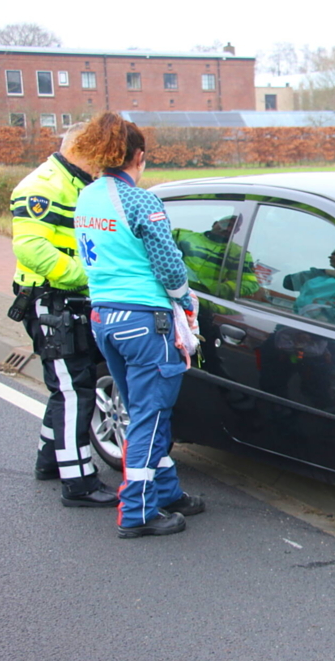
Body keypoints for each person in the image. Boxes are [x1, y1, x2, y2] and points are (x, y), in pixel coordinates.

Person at [71, 111, 205, 539]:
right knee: (150, 414)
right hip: (146, 321)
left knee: (144, 409)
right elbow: (168, 267)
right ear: (139, 156)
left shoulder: (88, 196)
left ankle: (167, 491)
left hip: (105, 317)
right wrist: (186, 300)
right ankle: (137, 511)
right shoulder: (141, 201)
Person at [8, 123, 119, 507]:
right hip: (52, 300)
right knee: (74, 387)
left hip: (68, 301)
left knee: (69, 381)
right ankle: (79, 482)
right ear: (80, 147)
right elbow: (31, 248)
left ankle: (49, 460)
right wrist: (87, 277)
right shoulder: (41, 186)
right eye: (100, 150)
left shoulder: (77, 185)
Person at [172, 214, 261, 299]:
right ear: (214, 224)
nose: (228, 229)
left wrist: (217, 289)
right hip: (171, 291)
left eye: (234, 227)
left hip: (206, 301)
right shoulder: (181, 236)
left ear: (237, 232)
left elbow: (250, 283)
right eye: (226, 224)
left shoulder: (238, 254)